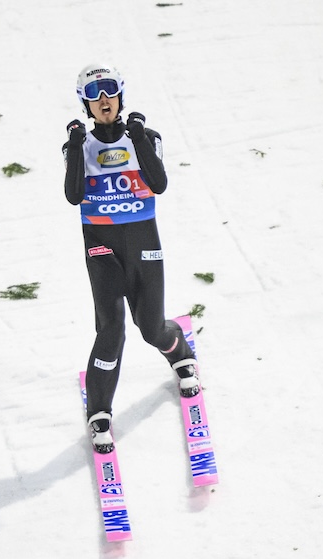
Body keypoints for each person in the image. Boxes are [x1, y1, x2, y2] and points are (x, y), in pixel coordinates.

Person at [62, 63, 200, 454]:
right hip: (102, 249)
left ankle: (180, 352)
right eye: (94, 94)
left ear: (121, 96)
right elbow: (74, 196)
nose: (103, 100)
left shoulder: (145, 136)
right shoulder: (81, 147)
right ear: (85, 104)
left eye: (109, 91)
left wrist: (138, 137)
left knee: (151, 328)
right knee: (112, 330)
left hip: (144, 245)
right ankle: (100, 411)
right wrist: (74, 145)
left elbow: (158, 183)